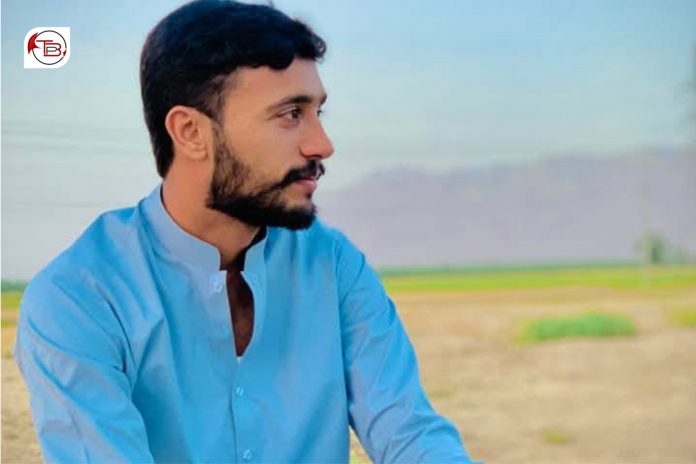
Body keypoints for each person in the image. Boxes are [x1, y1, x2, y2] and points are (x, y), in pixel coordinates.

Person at [14, 1, 476, 462]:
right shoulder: (79, 298)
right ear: (190, 132)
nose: (322, 144)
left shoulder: (332, 265)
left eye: (318, 112)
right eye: (290, 114)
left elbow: (410, 433)